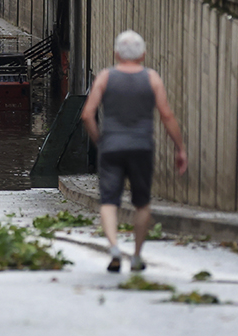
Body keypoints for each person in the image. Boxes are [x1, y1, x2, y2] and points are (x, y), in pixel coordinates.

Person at [80, 30, 187, 273]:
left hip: (112, 147)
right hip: (141, 146)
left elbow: (87, 114)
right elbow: (167, 115)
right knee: (141, 203)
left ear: (117, 54)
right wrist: (179, 148)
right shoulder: (152, 78)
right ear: (143, 55)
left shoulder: (105, 77)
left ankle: (115, 248)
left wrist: (101, 141)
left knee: (108, 201)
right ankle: (137, 256)